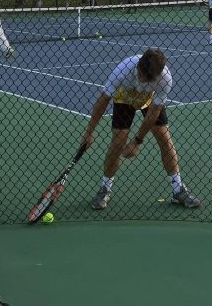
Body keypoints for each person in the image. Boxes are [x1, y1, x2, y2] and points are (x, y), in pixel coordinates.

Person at [81, 48, 202, 209]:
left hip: (149, 100)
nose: (142, 81)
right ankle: (105, 189)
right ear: (138, 66)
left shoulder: (165, 79)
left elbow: (154, 112)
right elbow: (103, 99)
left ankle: (178, 189)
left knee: (165, 138)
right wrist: (89, 132)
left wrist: (137, 141)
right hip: (124, 97)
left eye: (148, 79)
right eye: (141, 75)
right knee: (118, 141)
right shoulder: (123, 70)